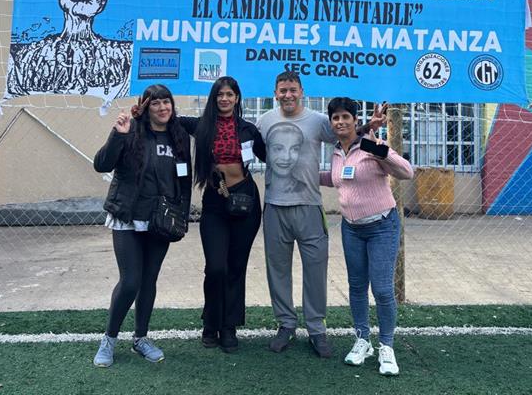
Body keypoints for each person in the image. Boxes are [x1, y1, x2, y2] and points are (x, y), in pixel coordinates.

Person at [255, 71, 386, 358]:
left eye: (293, 89)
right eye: (282, 90)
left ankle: (316, 328)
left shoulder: (317, 121)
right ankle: (286, 324)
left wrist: (369, 126)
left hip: (310, 206)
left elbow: (345, 132)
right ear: (275, 93)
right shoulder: (264, 122)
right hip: (275, 206)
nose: (288, 95)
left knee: (315, 270)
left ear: (301, 91)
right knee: (278, 270)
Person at [92, 84, 192, 368]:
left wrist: (181, 216)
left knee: (149, 280)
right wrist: (118, 135)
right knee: (130, 281)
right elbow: (102, 164)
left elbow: (184, 180)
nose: (162, 108)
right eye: (156, 103)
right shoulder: (131, 130)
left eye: (166, 102)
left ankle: (141, 338)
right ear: (146, 107)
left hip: (160, 219)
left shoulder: (178, 136)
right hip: (128, 215)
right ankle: (109, 340)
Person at [320, 97, 413, 377]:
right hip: (351, 228)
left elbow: (406, 172)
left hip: (382, 226)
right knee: (357, 286)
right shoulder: (338, 152)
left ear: (355, 120)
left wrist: (381, 151)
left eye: (345, 117)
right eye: (335, 118)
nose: (340, 122)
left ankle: (386, 346)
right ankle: (363, 340)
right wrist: (304, 174)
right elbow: (336, 178)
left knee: (382, 289)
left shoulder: (371, 146)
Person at [175, 76, 266, 353]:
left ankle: (229, 327)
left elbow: (273, 156)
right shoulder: (201, 126)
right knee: (216, 267)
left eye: (229, 94)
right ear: (214, 99)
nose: (224, 99)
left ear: (237, 98)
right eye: (220, 95)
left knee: (236, 268)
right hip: (216, 202)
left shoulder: (249, 129)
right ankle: (210, 322)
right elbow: (166, 119)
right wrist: (140, 112)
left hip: (246, 202)